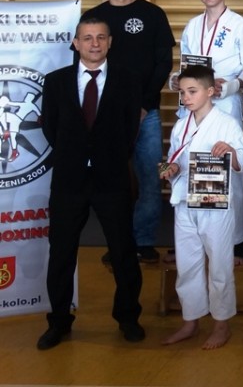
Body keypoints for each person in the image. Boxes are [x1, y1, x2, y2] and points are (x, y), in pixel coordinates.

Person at [38, 18, 145, 350]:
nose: (94, 43)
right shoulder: (56, 81)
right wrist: (75, 154)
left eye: (100, 37)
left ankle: (128, 318)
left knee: (123, 250)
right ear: (76, 43)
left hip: (111, 177)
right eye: (87, 38)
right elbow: (50, 127)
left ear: (110, 42)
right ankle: (58, 321)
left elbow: (130, 128)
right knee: (61, 252)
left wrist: (106, 156)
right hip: (69, 179)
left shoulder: (128, 80)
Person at [83, 0, 175, 263]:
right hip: (106, 115)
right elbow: (83, 64)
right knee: (111, 183)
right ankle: (118, 243)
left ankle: (144, 241)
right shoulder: (93, 17)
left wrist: (144, 104)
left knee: (151, 179)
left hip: (146, 114)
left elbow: (164, 63)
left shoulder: (152, 14)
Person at [171, 0, 243, 264]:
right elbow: (186, 67)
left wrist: (232, 85)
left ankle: (235, 240)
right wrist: (176, 80)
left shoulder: (241, 26)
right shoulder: (192, 26)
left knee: (228, 167)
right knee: (190, 164)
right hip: (194, 108)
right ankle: (192, 232)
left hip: (225, 106)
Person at [160, 65, 243, 349]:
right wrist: (171, 168)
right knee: (187, 264)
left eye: (192, 91)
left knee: (220, 265)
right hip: (185, 202)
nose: (186, 98)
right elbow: (174, 159)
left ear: (210, 91)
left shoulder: (227, 123)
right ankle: (191, 320)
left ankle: (222, 324)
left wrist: (231, 151)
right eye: (183, 92)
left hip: (215, 204)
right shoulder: (180, 125)